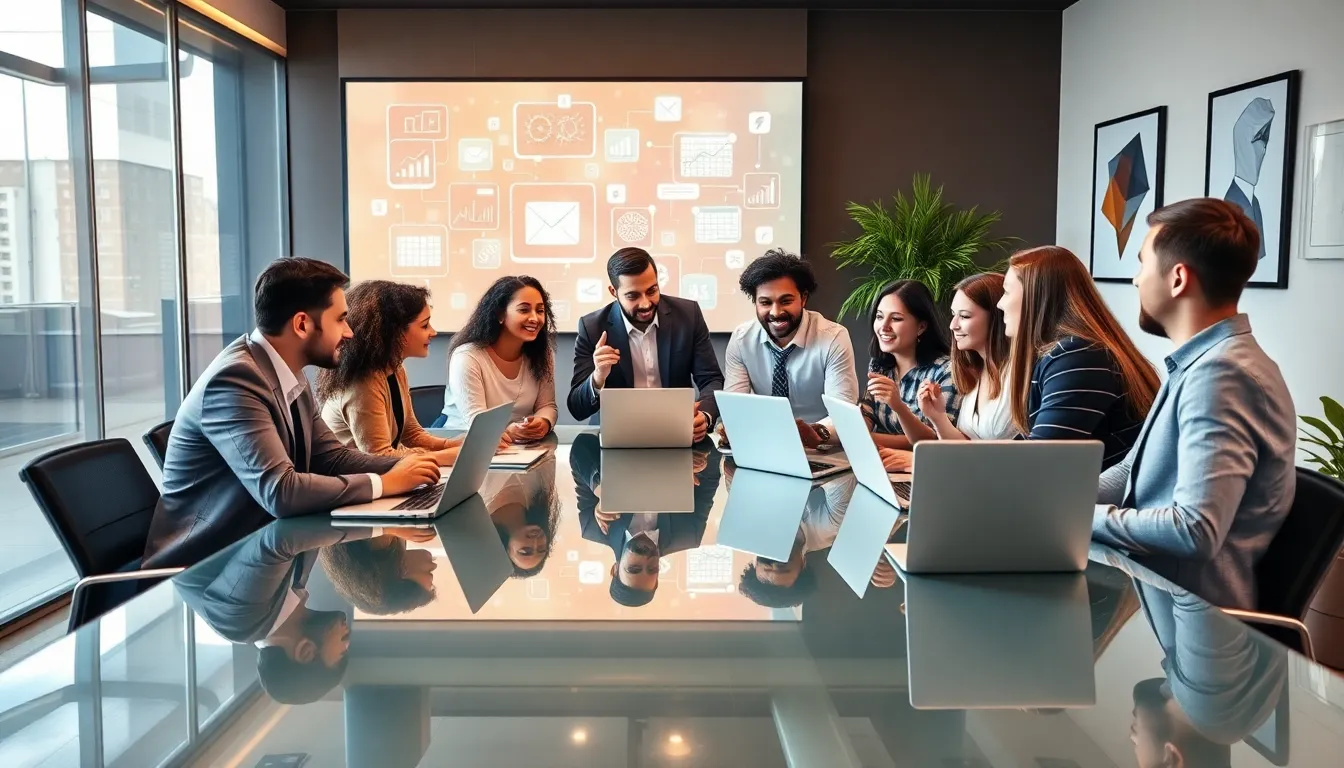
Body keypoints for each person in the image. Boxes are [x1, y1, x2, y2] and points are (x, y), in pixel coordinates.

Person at [143, 258, 441, 569]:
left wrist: (407, 466)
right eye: (340, 320)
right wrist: (386, 483)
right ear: (302, 324)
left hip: (261, 557)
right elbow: (280, 492)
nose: (350, 333)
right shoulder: (234, 381)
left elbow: (331, 458)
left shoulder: (287, 372)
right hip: (204, 572)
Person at [1092, 198, 1296, 609]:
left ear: (1178, 278)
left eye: (1142, 264)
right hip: (1160, 599)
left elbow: (1194, 529)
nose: (1135, 281)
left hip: (1200, 627)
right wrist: (1046, 497)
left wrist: (1071, 519)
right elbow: (1136, 469)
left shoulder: (1222, 374)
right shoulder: (1202, 362)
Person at [173, 518, 434, 704]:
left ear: (305, 651)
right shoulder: (289, 593)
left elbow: (283, 534)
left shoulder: (242, 622)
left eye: (341, 649)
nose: (347, 639)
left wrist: (380, 525)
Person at [997, 246, 1160, 471]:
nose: (1000, 304)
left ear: (1038, 296)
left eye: (1006, 292)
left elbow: (1038, 463)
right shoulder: (1071, 353)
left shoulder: (1078, 357)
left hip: (1106, 502)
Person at [568, 247, 723, 442]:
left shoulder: (688, 315)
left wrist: (705, 416)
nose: (645, 303)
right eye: (633, 296)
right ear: (613, 291)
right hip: (616, 437)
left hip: (677, 433)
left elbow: (712, 380)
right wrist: (598, 378)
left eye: (652, 290)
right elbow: (577, 408)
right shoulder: (592, 327)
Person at [720, 249, 858, 449]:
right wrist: (732, 426)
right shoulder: (742, 340)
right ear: (755, 302)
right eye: (766, 303)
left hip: (822, 450)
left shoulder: (833, 338)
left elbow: (844, 414)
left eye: (786, 301)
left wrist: (816, 433)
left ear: (803, 298)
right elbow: (734, 407)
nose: (776, 312)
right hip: (764, 446)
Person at [316, 280, 462, 463]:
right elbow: (378, 456)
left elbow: (412, 434)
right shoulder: (364, 382)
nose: (433, 332)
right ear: (394, 332)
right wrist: (445, 456)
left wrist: (456, 445)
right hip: (355, 482)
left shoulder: (396, 368)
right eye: (425, 325)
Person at [572, 433, 721, 607]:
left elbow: (581, 445)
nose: (646, 560)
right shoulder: (688, 535)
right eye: (652, 569)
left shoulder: (593, 526)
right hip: (677, 430)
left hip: (625, 426)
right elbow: (712, 465)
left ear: (615, 569)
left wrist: (601, 487)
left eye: (634, 568)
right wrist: (693, 459)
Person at [437, 275, 559, 444]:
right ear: (500, 314)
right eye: (524, 310)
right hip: (465, 445)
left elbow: (547, 406)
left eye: (540, 311)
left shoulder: (542, 353)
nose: (534, 318)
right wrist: (508, 431)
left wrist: (543, 422)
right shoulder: (467, 357)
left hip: (517, 448)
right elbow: (477, 422)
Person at [860, 280, 959, 461]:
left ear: (921, 326)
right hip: (880, 465)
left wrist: (898, 407)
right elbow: (864, 419)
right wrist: (821, 435)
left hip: (921, 472)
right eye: (880, 316)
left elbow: (935, 440)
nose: (884, 327)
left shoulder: (944, 371)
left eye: (896, 318)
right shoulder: (880, 365)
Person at [483, 453, 560, 578]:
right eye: (541, 548)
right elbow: (549, 451)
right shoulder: (540, 495)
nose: (536, 542)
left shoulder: (474, 503)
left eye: (525, 550)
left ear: (503, 548)